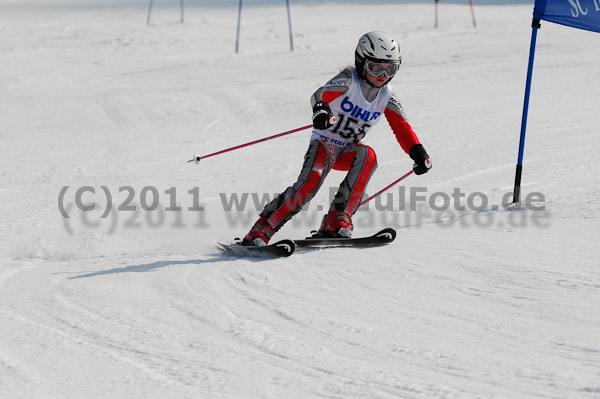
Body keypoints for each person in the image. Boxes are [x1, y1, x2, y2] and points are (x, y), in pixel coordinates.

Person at [241, 31, 432, 246]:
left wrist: (417, 151)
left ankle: (336, 220)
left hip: (348, 152)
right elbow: (320, 95)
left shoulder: (387, 94)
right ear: (362, 63)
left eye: (390, 68)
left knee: (368, 155)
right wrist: (321, 111)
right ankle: (261, 229)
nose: (382, 74)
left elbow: (402, 127)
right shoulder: (349, 80)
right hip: (324, 145)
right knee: (308, 186)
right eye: (375, 67)